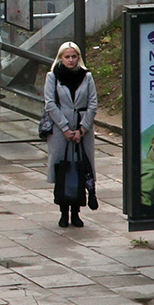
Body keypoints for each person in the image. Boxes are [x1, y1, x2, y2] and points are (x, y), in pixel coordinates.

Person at [43, 41, 98, 228]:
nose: (71, 60)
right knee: (63, 170)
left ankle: (76, 212)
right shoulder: (52, 77)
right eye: (67, 57)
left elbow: (92, 104)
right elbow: (50, 103)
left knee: (81, 168)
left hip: (82, 131)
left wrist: (82, 128)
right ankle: (63, 212)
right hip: (61, 131)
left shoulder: (87, 77)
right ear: (60, 58)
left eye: (74, 56)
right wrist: (65, 128)